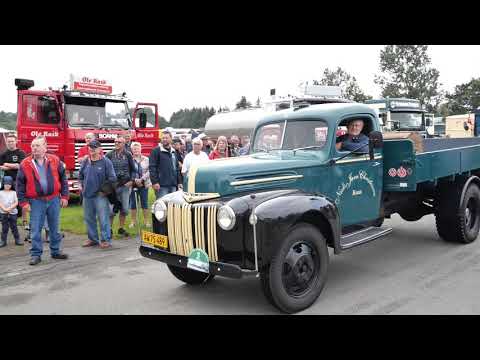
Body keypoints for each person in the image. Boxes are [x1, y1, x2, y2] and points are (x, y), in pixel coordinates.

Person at [16, 135, 69, 266]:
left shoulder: (55, 160)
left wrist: (64, 196)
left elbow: (63, 179)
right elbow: (20, 184)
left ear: (45, 147)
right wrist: (23, 202)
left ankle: (55, 251)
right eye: (33, 146)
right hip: (36, 201)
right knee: (35, 229)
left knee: (55, 228)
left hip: (54, 200)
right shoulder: (25, 163)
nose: (34, 148)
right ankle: (35, 254)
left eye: (37, 145)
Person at [79, 140, 117, 249]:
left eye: (94, 147)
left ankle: (106, 239)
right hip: (87, 195)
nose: (92, 149)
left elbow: (112, 178)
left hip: (100, 195)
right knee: (89, 218)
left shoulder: (106, 162)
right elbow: (81, 176)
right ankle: (93, 239)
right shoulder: (86, 161)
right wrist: (81, 185)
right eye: (90, 147)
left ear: (100, 149)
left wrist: (104, 191)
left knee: (103, 218)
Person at [106, 135, 137, 237]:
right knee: (111, 210)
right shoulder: (109, 155)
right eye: (115, 142)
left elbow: (134, 170)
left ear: (124, 144)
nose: (116, 144)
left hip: (125, 186)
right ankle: (109, 230)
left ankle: (121, 228)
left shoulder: (128, 155)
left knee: (124, 209)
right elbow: (105, 170)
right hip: (112, 187)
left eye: (119, 142)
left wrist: (132, 181)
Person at [0, 133, 28, 228]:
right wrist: (13, 166)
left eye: (12, 141)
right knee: (6, 202)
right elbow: (1, 167)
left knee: (22, 202)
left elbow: (21, 166)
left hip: (19, 180)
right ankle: (7, 221)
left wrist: (7, 164)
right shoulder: (3, 154)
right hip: (7, 183)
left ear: (16, 142)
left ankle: (24, 222)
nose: (10, 143)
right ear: (6, 143)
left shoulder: (21, 153)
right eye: (8, 142)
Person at [149, 131, 181, 199]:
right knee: (162, 206)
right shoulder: (156, 151)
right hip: (161, 185)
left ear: (171, 139)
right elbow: (152, 168)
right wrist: (154, 182)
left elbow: (177, 168)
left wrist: (179, 182)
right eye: (163, 138)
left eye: (166, 138)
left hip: (173, 185)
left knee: (172, 206)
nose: (164, 139)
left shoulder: (174, 151)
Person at [129, 142, 151, 229]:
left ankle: (146, 221)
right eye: (134, 149)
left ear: (140, 149)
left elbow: (149, 171)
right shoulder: (129, 160)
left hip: (144, 184)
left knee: (144, 203)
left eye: (137, 148)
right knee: (133, 204)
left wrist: (142, 179)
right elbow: (128, 171)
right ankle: (133, 222)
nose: (136, 150)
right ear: (132, 150)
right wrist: (135, 180)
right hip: (133, 184)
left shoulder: (146, 159)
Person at [0, 176, 21, 247]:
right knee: (4, 227)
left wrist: (10, 208)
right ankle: (3, 241)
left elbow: (16, 202)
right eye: (6, 184)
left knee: (14, 226)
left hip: (13, 213)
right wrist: (5, 209)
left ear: (12, 184)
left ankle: (17, 239)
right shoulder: (0, 192)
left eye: (9, 184)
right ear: (3, 184)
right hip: (3, 213)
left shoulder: (14, 192)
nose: (7, 185)